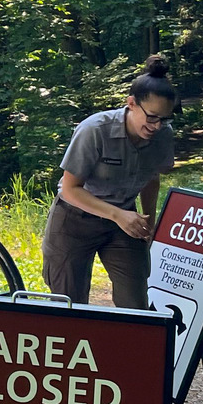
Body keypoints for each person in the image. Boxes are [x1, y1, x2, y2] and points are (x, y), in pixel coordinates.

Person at [41, 57, 180, 310]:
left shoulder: (162, 136)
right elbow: (70, 189)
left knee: (136, 304)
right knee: (68, 304)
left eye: (165, 119)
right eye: (151, 117)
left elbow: (152, 176)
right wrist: (117, 215)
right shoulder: (94, 129)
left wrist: (149, 218)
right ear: (131, 104)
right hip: (74, 220)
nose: (157, 126)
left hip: (124, 222)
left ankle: (131, 348)